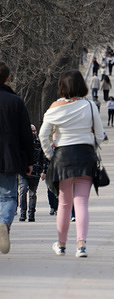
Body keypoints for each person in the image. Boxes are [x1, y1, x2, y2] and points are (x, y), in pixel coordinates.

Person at [39, 69, 104, 258]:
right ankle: (81, 245)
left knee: (64, 203)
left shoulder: (54, 108)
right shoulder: (90, 106)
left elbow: (44, 135)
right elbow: (99, 135)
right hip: (85, 155)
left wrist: (51, 154)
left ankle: (61, 244)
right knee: (82, 201)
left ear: (62, 87)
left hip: (63, 157)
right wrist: (91, 148)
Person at [0, 61, 34, 254]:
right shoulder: (16, 102)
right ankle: (4, 222)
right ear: (8, 78)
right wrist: (29, 161)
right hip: (8, 157)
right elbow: (26, 135)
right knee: (8, 197)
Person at [18, 124, 48, 222]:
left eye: (34, 131)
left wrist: (44, 171)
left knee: (32, 194)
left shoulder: (39, 143)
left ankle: (31, 214)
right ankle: (23, 213)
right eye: (31, 131)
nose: (33, 133)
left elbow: (44, 158)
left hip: (35, 173)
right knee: (22, 191)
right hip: (23, 172)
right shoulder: (21, 143)